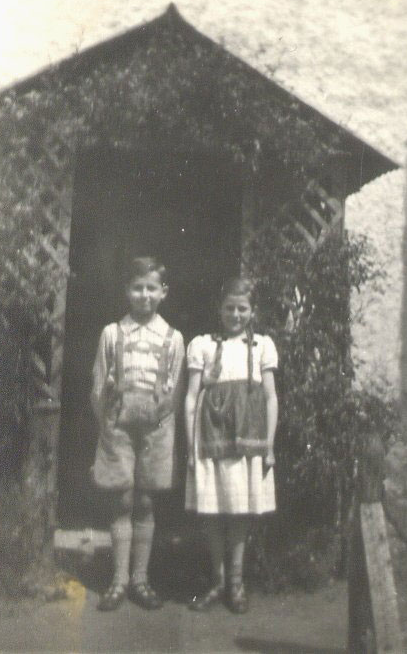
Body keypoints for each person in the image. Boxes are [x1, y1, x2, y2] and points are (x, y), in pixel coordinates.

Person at [90, 257, 185, 611]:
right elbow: (98, 386)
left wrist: (164, 421)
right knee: (122, 500)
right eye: (137, 288)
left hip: (156, 428)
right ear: (126, 291)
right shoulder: (112, 334)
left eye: (151, 288)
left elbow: (177, 392)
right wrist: (106, 424)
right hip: (118, 426)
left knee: (145, 501)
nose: (144, 295)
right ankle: (119, 580)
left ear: (163, 292)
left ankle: (141, 579)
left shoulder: (173, 338)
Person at [185, 277, 278, 614]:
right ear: (219, 309)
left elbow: (270, 397)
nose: (235, 315)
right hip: (210, 437)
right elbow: (191, 397)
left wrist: (269, 445)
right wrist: (190, 447)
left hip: (248, 439)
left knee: (240, 509)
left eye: (242, 308)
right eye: (229, 308)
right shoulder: (203, 345)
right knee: (211, 510)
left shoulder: (262, 346)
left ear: (253, 311)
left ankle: (236, 583)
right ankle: (217, 580)